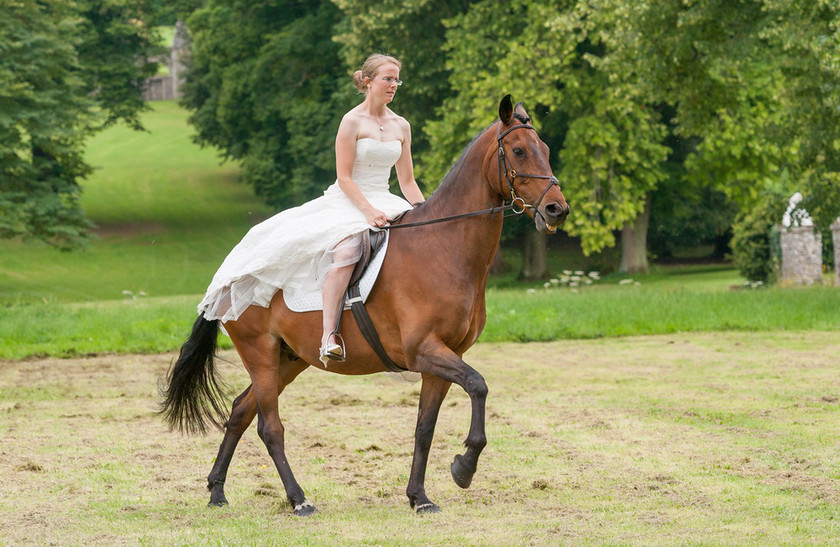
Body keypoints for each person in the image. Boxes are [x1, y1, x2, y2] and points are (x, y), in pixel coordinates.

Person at [197, 53, 424, 365]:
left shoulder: (402, 125)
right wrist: (368, 211)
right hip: (350, 201)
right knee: (346, 253)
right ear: (368, 82)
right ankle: (329, 334)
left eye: (396, 79)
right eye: (387, 78)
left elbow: (408, 181)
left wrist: (424, 212)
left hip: (387, 199)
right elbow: (344, 177)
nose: (394, 85)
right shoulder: (352, 122)